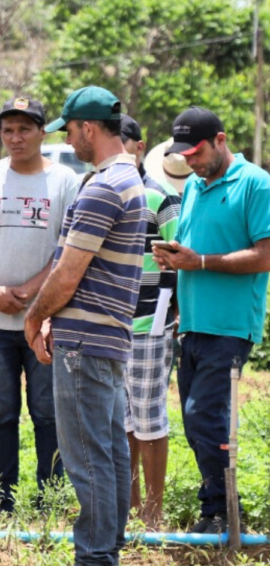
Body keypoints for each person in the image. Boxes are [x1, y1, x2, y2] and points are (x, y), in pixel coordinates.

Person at [25, 86, 146, 566]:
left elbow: (68, 271)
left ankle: (95, 556)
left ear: (89, 129)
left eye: (71, 130)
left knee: (88, 457)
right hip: (108, 336)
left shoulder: (101, 187)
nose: (70, 140)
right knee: (110, 449)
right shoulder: (128, 178)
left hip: (84, 340)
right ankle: (107, 547)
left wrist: (35, 317)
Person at [153, 106, 270, 534]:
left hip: (230, 324)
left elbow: (265, 254)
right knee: (193, 419)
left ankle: (221, 512)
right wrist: (175, 257)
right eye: (184, 156)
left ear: (221, 140)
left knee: (206, 416)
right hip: (192, 325)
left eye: (197, 153)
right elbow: (194, 249)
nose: (191, 162)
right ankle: (216, 506)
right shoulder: (194, 189)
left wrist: (199, 261)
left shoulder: (256, 184)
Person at [0, 96, 77, 512]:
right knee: (0, 412)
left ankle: (49, 500)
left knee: (47, 414)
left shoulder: (65, 180)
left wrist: (33, 292)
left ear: (42, 132)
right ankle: (2, 498)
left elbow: (68, 249)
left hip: (46, 320)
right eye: (8, 130)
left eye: (25, 129)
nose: (16, 138)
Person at [119, 114, 181, 528]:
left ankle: (153, 514)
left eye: (123, 143)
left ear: (139, 147)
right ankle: (129, 505)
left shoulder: (158, 197)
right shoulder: (99, 191)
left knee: (148, 420)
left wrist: (166, 320)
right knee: (122, 422)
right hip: (111, 326)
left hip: (149, 326)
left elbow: (178, 265)